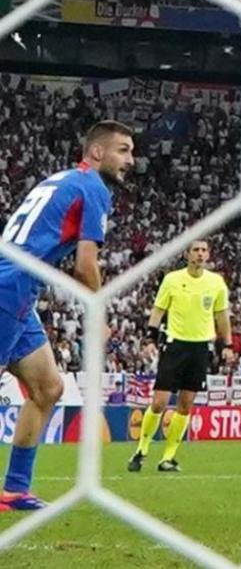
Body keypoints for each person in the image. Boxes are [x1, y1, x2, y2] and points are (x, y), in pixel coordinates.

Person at [0, 121, 135, 510]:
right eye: (123, 150)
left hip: (20, 291)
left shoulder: (61, 179)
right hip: (9, 287)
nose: (131, 159)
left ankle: (14, 490)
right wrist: (99, 315)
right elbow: (85, 267)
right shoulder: (93, 188)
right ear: (96, 153)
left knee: (48, 389)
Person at [128, 239, 233, 473]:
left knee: (185, 405)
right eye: (196, 250)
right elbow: (158, 310)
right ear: (187, 254)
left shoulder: (216, 283)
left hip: (200, 348)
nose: (200, 254)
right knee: (160, 402)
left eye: (204, 250)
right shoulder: (172, 280)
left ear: (208, 255)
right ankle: (141, 449)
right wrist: (150, 338)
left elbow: (222, 316)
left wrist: (228, 344)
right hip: (175, 345)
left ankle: (167, 457)